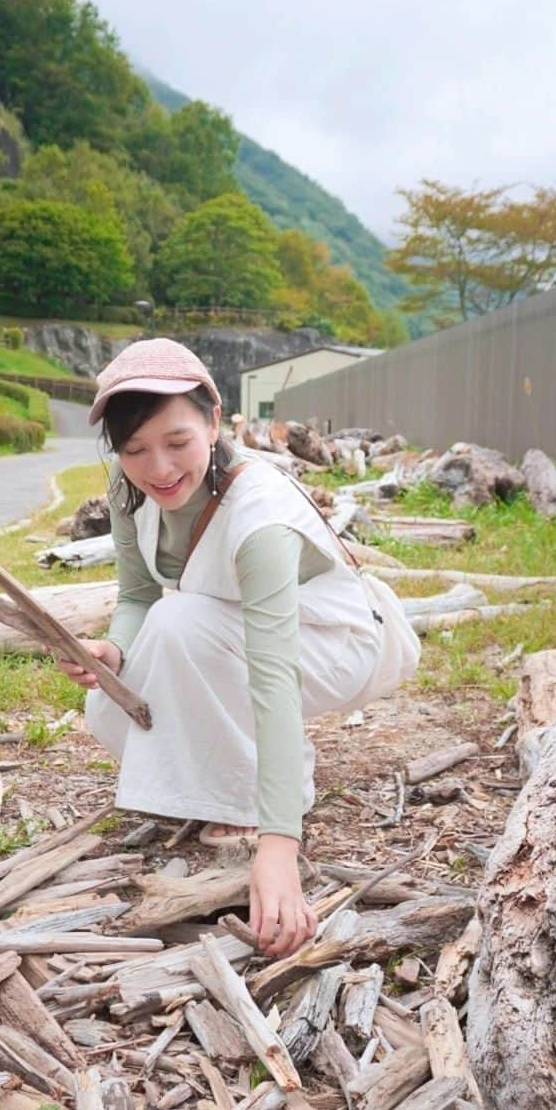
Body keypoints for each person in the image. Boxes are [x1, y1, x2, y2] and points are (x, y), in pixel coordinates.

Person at [57, 339, 420, 957]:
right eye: (136, 449)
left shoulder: (260, 518)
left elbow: (273, 677)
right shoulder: (129, 486)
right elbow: (139, 595)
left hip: (338, 643)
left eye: (178, 442)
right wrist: (116, 651)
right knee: (124, 691)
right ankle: (229, 777)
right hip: (234, 628)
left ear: (215, 421)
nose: (159, 468)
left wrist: (281, 846)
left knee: (181, 625)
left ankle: (266, 790)